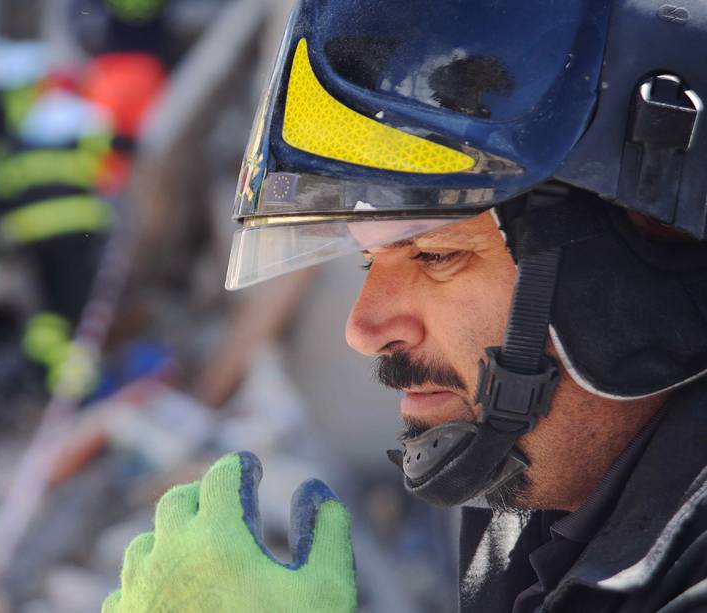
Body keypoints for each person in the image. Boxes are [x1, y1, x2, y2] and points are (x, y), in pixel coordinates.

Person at [101, 1, 707, 611]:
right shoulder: (545, 537)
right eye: (370, 262)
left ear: (643, 263)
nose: (363, 330)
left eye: (437, 256)